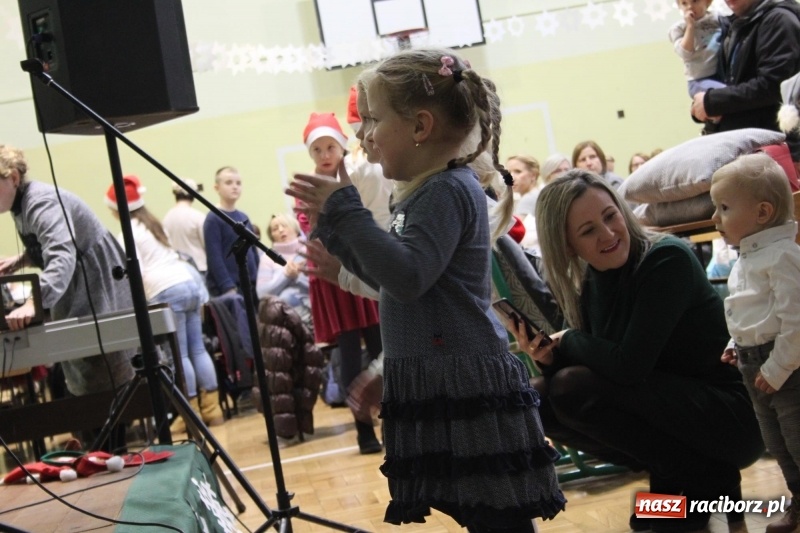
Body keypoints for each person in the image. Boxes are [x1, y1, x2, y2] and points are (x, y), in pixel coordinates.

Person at [287, 48, 565, 533]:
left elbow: (408, 276)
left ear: (420, 126)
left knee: (497, 514)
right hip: (438, 376)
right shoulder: (420, 193)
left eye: (372, 120)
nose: (361, 135)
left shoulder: (446, 190)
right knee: (478, 511)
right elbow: (399, 281)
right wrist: (339, 247)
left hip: (464, 380)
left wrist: (348, 212)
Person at [509, 169, 763, 533]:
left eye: (610, 216)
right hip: (672, 413)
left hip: (729, 417)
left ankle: (702, 479)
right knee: (537, 398)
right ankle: (689, 478)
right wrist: (549, 358)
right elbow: (601, 367)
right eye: (588, 230)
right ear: (568, 245)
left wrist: (569, 339)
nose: (608, 234)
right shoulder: (592, 281)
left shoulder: (666, 259)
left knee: (568, 387)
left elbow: (628, 366)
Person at [0, 144, 135, 451]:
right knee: (85, 379)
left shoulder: (41, 202)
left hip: (95, 287)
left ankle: (112, 454)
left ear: (13, 178)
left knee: (104, 375)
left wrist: (34, 302)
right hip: (76, 288)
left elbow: (62, 255)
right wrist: (22, 260)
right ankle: (102, 454)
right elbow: (49, 245)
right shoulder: (21, 206)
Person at [710, 152, 800, 533]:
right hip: (754, 366)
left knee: (797, 440)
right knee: (777, 444)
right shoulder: (747, 259)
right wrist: (737, 342)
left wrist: (777, 368)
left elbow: (796, 322)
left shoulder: (783, 256)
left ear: (762, 213)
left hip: (787, 368)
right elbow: (752, 310)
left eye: (724, 207)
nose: (715, 218)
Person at [105, 175, 224, 429]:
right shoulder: (153, 224)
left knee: (179, 355)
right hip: (189, 284)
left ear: (116, 209)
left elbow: (134, 272)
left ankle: (190, 414)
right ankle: (213, 410)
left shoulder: (127, 234)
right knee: (198, 349)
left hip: (166, 291)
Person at [297, 111, 384, 454]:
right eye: (317, 149)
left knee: (380, 344)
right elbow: (312, 228)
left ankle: (394, 419)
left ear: (341, 146)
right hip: (335, 277)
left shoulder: (358, 172)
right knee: (348, 354)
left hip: (362, 263)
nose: (324, 154)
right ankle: (364, 431)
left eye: (330, 146)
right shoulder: (308, 186)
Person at [691, 0, 800, 152]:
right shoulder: (741, 22)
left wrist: (712, 102)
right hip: (753, 147)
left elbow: (773, 86)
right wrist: (708, 107)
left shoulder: (778, 19)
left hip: (774, 148)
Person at [203, 166, 260, 298]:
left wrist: (258, 278)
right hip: (232, 288)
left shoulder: (243, 217)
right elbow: (214, 256)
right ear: (217, 188)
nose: (235, 187)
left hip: (251, 284)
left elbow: (253, 251)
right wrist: (227, 286)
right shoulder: (213, 218)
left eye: (238, 183)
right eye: (228, 183)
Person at [255, 213, 311, 328]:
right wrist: (286, 275)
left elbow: (321, 283)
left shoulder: (309, 250)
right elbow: (261, 293)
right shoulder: (267, 258)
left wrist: (298, 276)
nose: (281, 230)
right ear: (272, 236)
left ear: (295, 229)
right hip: (285, 316)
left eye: (284, 225)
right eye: (275, 229)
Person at [668, 0, 725, 98]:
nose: (690, 6)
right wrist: (690, 26)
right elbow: (685, 53)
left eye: (695, 1)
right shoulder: (678, 28)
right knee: (726, 93)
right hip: (699, 80)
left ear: (708, 2)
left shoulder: (718, 18)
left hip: (722, 73)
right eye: (684, 3)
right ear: (679, 6)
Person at [162, 178, 207, 275]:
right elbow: (206, 243)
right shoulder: (198, 216)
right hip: (199, 268)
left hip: (178, 269)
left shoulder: (167, 217)